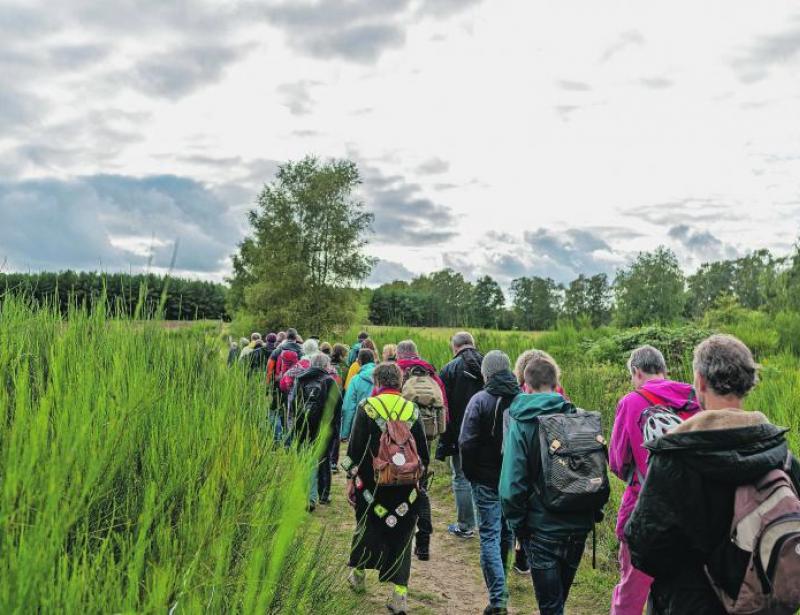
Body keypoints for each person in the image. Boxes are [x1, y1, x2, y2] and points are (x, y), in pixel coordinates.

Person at [625, 334, 800, 615]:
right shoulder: (781, 455)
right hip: (762, 602)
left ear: (700, 382)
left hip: (689, 603)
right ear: (749, 383)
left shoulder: (675, 458)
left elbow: (645, 547)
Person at [500, 354, 597, 615]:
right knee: (558, 602)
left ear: (526, 386)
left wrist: (517, 523)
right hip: (578, 522)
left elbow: (512, 484)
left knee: (551, 606)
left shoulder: (521, 422)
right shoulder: (579, 417)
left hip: (541, 527)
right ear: (557, 385)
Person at [608, 345, 700, 615]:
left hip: (645, 510)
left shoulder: (631, 402)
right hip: (693, 511)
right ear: (663, 370)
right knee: (682, 593)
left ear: (636, 372)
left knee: (632, 591)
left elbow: (617, 460)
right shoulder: (695, 397)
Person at [342, 362, 430, 614]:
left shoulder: (367, 407)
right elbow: (423, 453)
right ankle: (400, 595)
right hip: (406, 489)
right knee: (403, 536)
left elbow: (355, 451)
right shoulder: (411, 409)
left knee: (366, 528)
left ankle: (358, 577)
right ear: (399, 383)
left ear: (377, 383)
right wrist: (419, 483)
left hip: (371, 487)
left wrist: (350, 479)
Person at [459, 350, 520, 615]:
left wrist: (471, 474)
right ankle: (502, 587)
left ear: (486, 373)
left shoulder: (480, 400)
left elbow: (466, 441)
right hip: (514, 481)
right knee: (506, 533)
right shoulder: (522, 399)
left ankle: (498, 600)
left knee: (489, 535)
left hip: (485, 480)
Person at [396, 339, 448, 560]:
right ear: (417, 353)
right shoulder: (431, 374)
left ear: (399, 354)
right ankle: (424, 543)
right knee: (421, 488)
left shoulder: (398, 371)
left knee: (398, 486)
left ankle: (398, 537)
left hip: (400, 438)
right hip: (426, 437)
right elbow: (443, 406)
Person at [438, 331, 484, 539]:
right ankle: (488, 524)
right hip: (490, 434)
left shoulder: (449, 370)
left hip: (460, 434)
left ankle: (465, 525)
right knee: (487, 479)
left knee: (461, 478)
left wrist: (445, 438)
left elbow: (444, 407)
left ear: (454, 347)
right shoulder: (488, 364)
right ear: (472, 344)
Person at [290, 352, 342, 511]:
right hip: (323, 427)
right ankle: (324, 494)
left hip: (303, 425)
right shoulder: (329, 381)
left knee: (304, 459)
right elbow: (337, 406)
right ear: (326, 365)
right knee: (323, 459)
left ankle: (305, 493)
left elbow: (293, 404)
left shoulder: (300, 379)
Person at [340, 348, 377, 440]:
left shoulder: (356, 379)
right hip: (380, 423)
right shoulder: (382, 376)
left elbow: (348, 407)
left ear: (359, 361)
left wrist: (345, 434)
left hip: (360, 425)